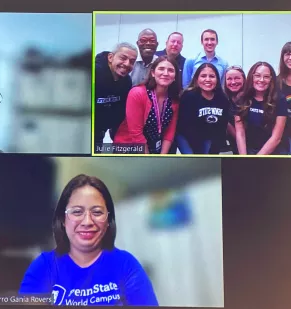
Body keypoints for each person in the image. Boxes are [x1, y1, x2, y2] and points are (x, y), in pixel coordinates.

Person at [19, 174, 159, 306]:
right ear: (62, 219)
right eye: (77, 212)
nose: (87, 222)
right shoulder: (43, 267)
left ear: (108, 220)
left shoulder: (126, 265)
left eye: (97, 212)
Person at [113, 56, 180, 154]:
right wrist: (148, 160)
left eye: (170, 70)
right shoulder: (137, 93)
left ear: (175, 77)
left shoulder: (174, 99)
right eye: (161, 69)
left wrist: (162, 157)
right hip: (130, 147)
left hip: (155, 148)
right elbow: (136, 133)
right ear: (153, 73)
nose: (165, 73)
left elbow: (169, 133)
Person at [234, 62, 287, 155]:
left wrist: (257, 159)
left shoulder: (280, 99)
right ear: (251, 77)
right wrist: (244, 158)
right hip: (247, 152)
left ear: (271, 79)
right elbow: (240, 133)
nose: (261, 80)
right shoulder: (241, 98)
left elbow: (276, 137)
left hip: (272, 153)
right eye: (257, 75)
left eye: (266, 77)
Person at [176, 63, 230, 154]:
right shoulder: (188, 96)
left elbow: (222, 127)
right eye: (203, 76)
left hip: (210, 139)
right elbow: (184, 127)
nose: (207, 79)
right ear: (197, 79)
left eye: (212, 76)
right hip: (187, 138)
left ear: (217, 79)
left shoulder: (222, 99)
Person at [94, 43, 138, 152]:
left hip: (100, 132)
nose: (127, 64)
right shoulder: (94, 73)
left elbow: (120, 109)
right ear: (110, 57)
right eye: (123, 58)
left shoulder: (127, 81)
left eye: (132, 61)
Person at [223, 65, 246, 154]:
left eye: (237, 78)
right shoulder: (224, 99)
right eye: (229, 79)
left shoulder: (249, 99)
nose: (233, 82)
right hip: (234, 145)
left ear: (244, 79)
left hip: (251, 145)